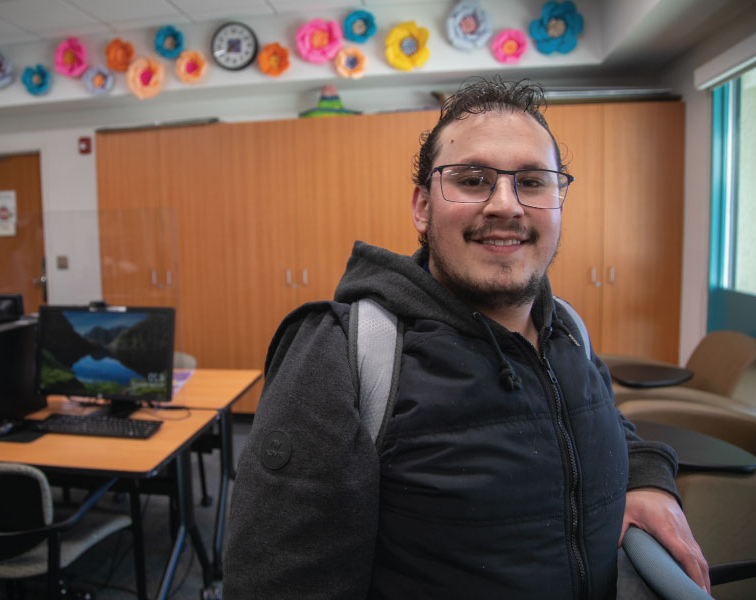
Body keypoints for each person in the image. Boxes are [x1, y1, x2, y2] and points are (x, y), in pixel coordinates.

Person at [223, 77, 709, 599]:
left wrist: (647, 477)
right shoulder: (345, 354)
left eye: (533, 181)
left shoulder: (567, 330)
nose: (506, 205)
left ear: (559, 200)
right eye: (473, 180)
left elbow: (597, 422)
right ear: (422, 207)